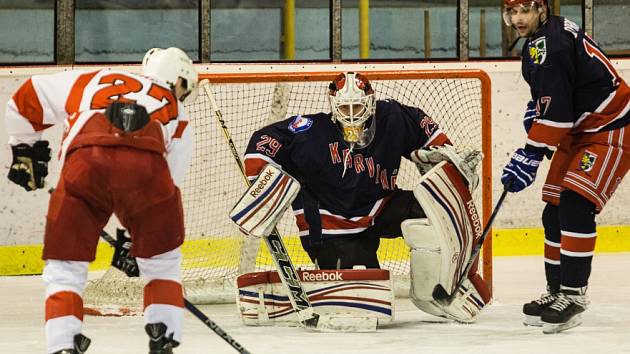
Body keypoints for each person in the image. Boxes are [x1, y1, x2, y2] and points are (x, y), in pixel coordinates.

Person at [239, 72, 491, 323]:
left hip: (380, 207)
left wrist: (441, 157)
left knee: (435, 208)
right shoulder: (310, 131)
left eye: (357, 106)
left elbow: (433, 139)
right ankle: (330, 281)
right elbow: (263, 141)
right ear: (333, 106)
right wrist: (261, 179)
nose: (351, 114)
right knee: (365, 301)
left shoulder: (393, 118)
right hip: (332, 225)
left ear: (370, 103)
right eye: (345, 107)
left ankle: (438, 291)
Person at [4, 47, 198, 353]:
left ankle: (63, 343)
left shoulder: (93, 78)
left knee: (65, 266)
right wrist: (138, 242)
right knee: (162, 265)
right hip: (147, 169)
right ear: (176, 80)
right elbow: (167, 187)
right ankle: (164, 340)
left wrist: (24, 151)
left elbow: (25, 97)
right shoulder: (178, 110)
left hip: (84, 164)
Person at [501, 0, 630, 334]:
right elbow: (554, 96)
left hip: (610, 127)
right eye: (512, 12)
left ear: (541, 9)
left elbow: (558, 113)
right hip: (581, 130)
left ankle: (573, 295)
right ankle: (556, 291)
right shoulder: (544, 37)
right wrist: (536, 112)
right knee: (553, 210)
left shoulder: (551, 44)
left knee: (575, 204)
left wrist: (530, 153)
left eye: (524, 11)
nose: (518, 19)